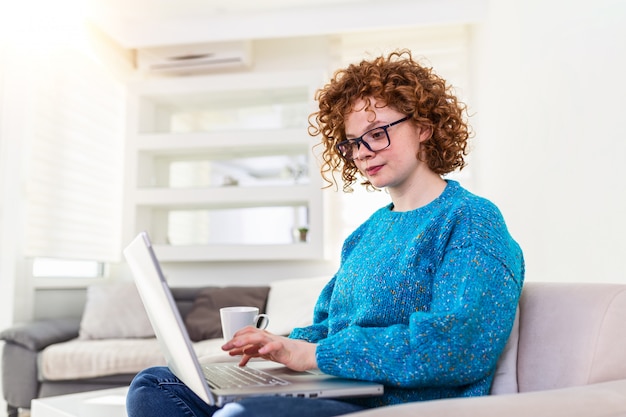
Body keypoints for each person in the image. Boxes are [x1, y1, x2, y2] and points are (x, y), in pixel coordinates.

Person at [126, 49, 525, 417]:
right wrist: (278, 347)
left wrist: (315, 356)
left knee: (244, 415)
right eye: (352, 143)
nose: (363, 151)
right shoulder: (366, 234)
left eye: (377, 132)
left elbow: (456, 347)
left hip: (396, 406)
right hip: (334, 390)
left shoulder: (471, 219)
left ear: (423, 127)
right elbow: (327, 327)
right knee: (153, 385)